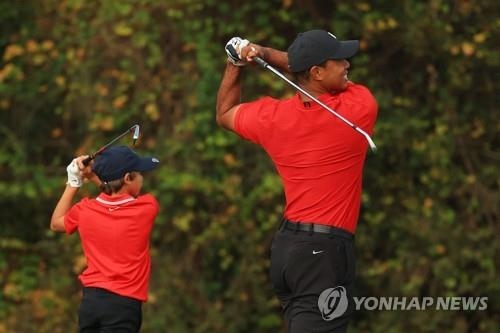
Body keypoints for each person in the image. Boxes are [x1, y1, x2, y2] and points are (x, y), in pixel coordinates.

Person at [216, 30, 378, 332]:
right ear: (316, 72)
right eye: (339, 60)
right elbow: (301, 67)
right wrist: (264, 52)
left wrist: (235, 63)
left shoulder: (272, 117)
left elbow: (225, 113)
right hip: (323, 255)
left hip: (287, 250)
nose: (347, 66)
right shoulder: (357, 110)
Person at [50, 145, 160, 332]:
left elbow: (56, 223)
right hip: (123, 305)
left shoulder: (85, 210)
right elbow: (115, 193)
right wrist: (94, 176)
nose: (142, 178)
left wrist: (74, 182)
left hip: (90, 303)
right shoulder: (147, 207)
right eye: (140, 173)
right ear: (127, 178)